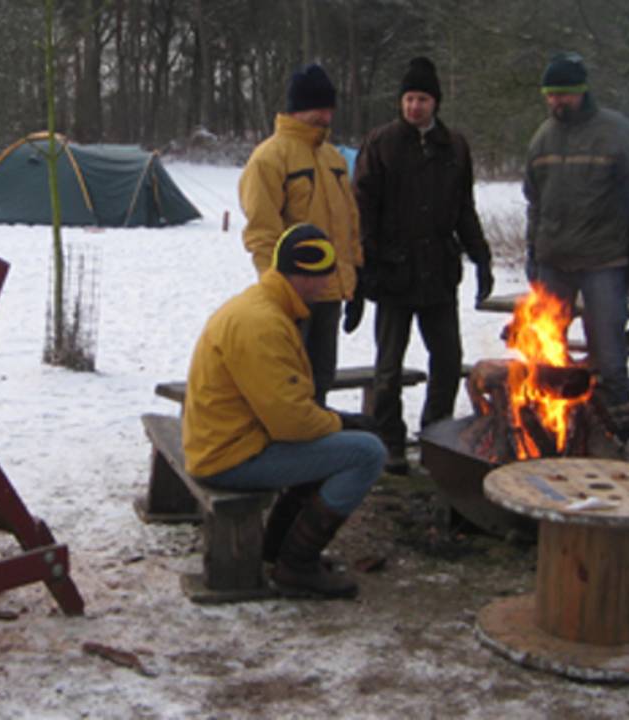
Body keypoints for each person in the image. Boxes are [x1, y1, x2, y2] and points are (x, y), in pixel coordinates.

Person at [182, 223, 386, 598]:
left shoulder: (262, 305)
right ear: (305, 277)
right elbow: (291, 423)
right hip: (229, 456)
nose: (327, 287)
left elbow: (285, 407)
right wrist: (341, 422)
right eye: (324, 278)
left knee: (333, 442)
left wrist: (335, 425)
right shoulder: (263, 325)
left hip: (225, 441)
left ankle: (276, 546)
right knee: (366, 453)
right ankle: (297, 564)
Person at [352, 57, 494, 475]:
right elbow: (363, 208)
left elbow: (464, 209)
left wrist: (481, 255)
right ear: (401, 102)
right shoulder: (380, 144)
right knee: (388, 367)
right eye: (409, 99)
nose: (415, 107)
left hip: (438, 271)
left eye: (423, 99)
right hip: (393, 271)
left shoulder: (455, 147)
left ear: (436, 102)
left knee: (448, 359)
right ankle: (390, 441)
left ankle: (436, 434)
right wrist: (366, 268)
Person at [523, 52, 629, 409]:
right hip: (553, 260)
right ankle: (551, 427)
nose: (557, 102)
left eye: (565, 94)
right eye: (551, 95)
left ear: (583, 92)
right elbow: (534, 202)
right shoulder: (542, 138)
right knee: (546, 355)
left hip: (604, 260)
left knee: (609, 356)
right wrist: (532, 252)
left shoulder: (615, 132)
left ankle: (618, 423)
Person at [238, 63, 365, 408]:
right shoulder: (269, 158)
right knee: (287, 382)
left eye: (328, 109)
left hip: (330, 293)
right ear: (297, 109)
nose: (324, 117)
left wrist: (354, 278)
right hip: (291, 294)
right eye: (317, 109)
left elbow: (349, 224)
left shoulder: (334, 158)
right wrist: (275, 291)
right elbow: (262, 232)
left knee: (321, 378)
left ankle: (319, 452)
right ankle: (288, 456)